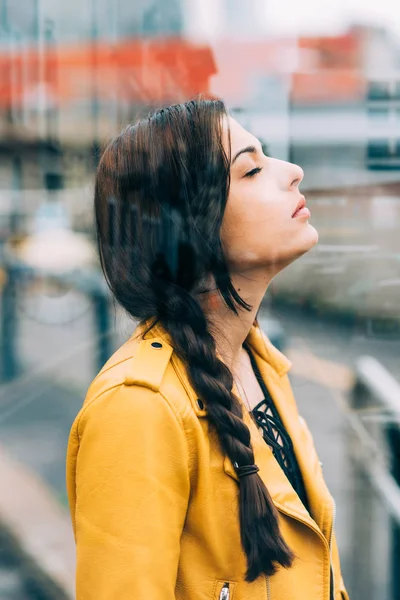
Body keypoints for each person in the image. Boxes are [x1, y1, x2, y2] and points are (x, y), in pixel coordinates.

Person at [66, 98, 350, 600]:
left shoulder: (255, 359)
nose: (293, 172)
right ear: (190, 224)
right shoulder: (137, 408)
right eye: (252, 170)